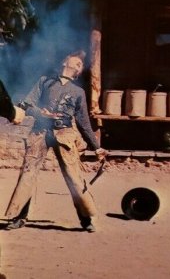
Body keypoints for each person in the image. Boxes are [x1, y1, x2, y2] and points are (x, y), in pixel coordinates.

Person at [4, 50, 107, 232]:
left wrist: (96, 147)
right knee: (28, 173)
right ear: (65, 61)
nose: (79, 64)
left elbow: (83, 122)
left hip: (65, 135)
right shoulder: (45, 81)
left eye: (81, 65)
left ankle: (86, 219)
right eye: (77, 61)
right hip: (40, 132)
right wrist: (40, 113)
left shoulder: (78, 92)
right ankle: (19, 216)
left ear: (79, 72)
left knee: (74, 177)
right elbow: (27, 104)